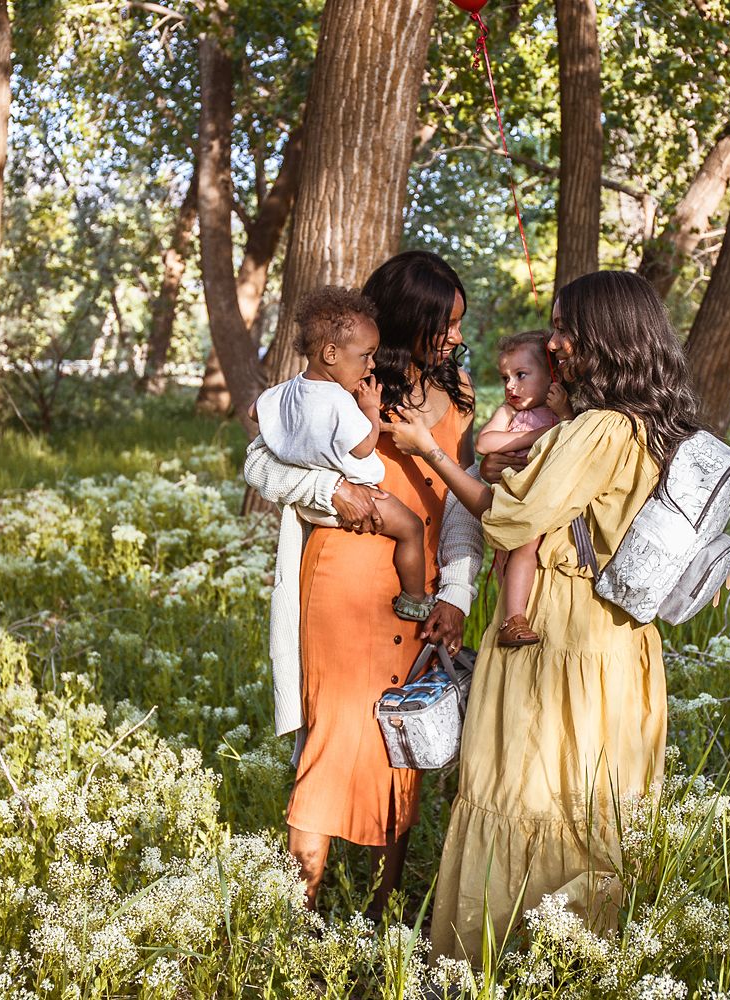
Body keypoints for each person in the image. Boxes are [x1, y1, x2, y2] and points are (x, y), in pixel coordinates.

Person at [384, 270, 704, 960]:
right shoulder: (650, 423)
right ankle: (575, 957)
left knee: (527, 786)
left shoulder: (596, 430)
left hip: (556, 632)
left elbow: (507, 516)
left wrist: (435, 454)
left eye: (565, 327)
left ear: (603, 337)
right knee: (587, 798)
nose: (555, 342)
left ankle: (500, 959)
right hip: (615, 638)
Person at [243, 251, 484, 918]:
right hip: (345, 581)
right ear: (412, 320)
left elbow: (465, 508)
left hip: (421, 591)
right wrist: (331, 488)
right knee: (334, 737)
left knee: (405, 741)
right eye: (447, 324)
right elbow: (258, 464)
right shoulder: (345, 384)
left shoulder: (459, 393)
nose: (457, 338)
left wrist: (456, 597)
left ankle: (381, 912)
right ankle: (302, 916)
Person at [250, 287, 433, 621]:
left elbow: (253, 411)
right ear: (331, 354)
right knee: (411, 528)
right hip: (362, 498)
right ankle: (416, 599)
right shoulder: (338, 400)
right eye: (366, 355)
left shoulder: (286, 389)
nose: (372, 364)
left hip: (311, 507)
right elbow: (363, 446)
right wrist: (370, 410)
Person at [475, 330, 573, 646]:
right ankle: (512, 619)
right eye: (505, 377)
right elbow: (485, 442)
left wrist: (560, 417)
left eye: (521, 375)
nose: (510, 386)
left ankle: (517, 615)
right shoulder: (511, 412)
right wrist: (536, 435)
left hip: (544, 499)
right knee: (518, 550)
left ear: (552, 374)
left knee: (527, 552)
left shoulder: (560, 410)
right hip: (515, 499)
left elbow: (569, 435)